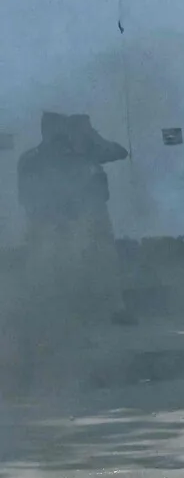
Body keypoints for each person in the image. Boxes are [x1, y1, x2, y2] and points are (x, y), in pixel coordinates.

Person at [16, 111, 132, 325]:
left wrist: (93, 137)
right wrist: (49, 218)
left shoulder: (87, 152)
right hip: (51, 221)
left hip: (91, 216)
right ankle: (47, 314)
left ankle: (114, 308)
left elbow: (120, 152)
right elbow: (27, 196)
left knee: (105, 262)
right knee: (47, 264)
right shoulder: (34, 158)